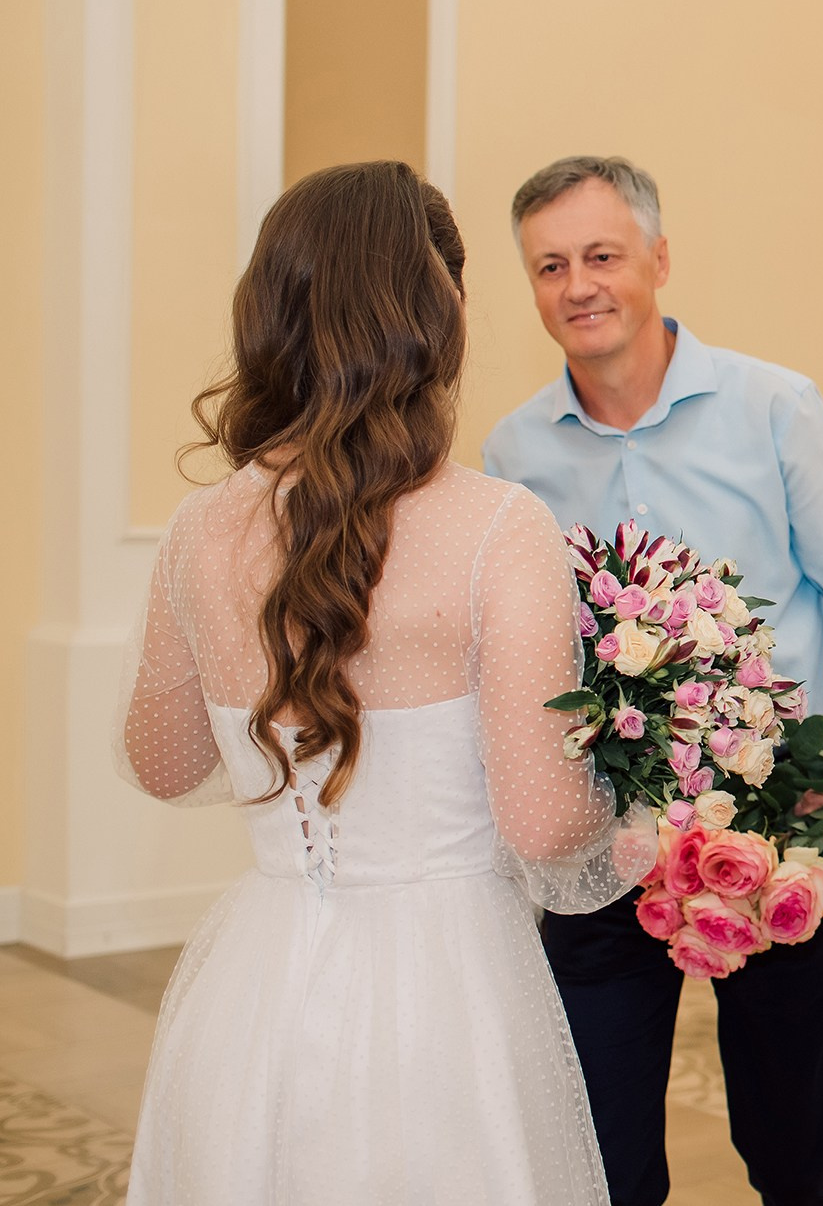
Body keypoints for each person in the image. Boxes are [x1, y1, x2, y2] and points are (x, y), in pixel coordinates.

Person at [115, 161, 640, 1204]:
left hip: (256, 984)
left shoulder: (199, 528)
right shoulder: (496, 526)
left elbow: (164, 763)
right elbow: (540, 823)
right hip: (447, 991)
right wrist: (643, 813)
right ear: (438, 308)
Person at [482, 155, 823, 1205]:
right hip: (603, 843)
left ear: (659, 257)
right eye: (550, 265)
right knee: (602, 1156)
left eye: (602, 255)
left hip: (776, 827)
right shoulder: (512, 452)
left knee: (791, 1146)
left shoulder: (776, 408)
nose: (578, 285)